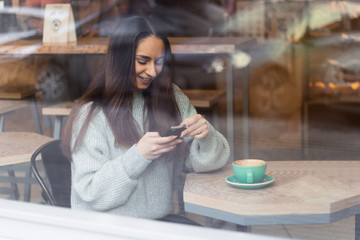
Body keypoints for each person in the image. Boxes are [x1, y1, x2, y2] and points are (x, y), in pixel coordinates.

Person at [61, 15, 230, 225]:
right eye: (143, 61)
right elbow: (91, 191)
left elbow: (204, 163)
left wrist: (206, 136)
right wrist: (139, 156)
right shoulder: (91, 112)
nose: (152, 71)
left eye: (159, 62)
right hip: (107, 230)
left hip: (162, 223)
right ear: (121, 58)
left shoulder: (171, 97)